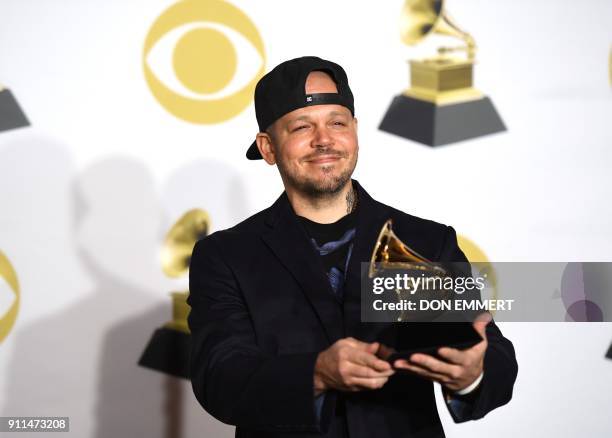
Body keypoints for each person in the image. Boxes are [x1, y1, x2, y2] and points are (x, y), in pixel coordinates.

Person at [187, 56, 518, 438]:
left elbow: (493, 356)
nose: (324, 139)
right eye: (301, 127)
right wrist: (315, 372)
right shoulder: (227, 256)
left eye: (337, 123)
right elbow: (220, 378)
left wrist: (472, 374)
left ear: (355, 132)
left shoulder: (426, 241)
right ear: (268, 148)